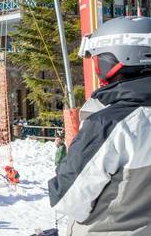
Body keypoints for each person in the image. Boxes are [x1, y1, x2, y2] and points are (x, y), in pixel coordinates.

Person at [48, 16, 151, 236]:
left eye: (97, 59)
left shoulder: (109, 124)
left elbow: (68, 199)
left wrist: (68, 162)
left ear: (116, 58)